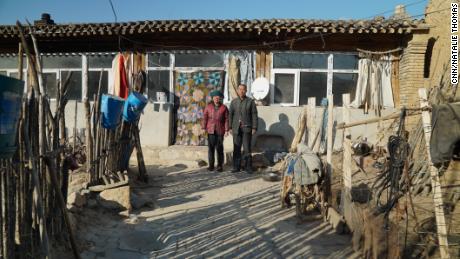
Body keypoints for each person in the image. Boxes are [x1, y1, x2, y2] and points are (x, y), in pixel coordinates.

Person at [229, 84, 258, 173]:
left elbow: (254, 115)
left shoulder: (250, 102)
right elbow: (230, 115)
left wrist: (254, 127)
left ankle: (248, 167)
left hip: (247, 128)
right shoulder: (234, 102)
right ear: (237, 91)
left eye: (243, 89)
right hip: (236, 129)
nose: (241, 91)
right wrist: (230, 127)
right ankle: (236, 167)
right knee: (236, 148)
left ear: (246, 91)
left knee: (247, 148)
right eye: (240, 89)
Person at [201, 90, 229, 172]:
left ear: (220, 98)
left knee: (220, 149)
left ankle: (220, 166)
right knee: (211, 149)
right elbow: (205, 118)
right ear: (212, 98)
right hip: (211, 130)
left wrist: (227, 129)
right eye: (215, 97)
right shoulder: (208, 107)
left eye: (218, 97)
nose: (216, 99)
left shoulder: (224, 108)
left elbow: (227, 119)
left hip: (220, 130)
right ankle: (211, 165)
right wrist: (203, 128)